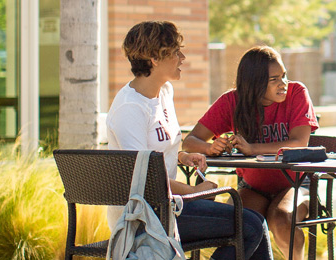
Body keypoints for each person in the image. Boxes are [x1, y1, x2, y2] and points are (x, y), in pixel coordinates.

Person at [106, 21, 272, 260]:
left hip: (168, 207)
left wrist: (183, 157)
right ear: (154, 58)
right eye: (175, 52)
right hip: (144, 217)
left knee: (253, 222)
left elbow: (158, 149)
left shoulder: (163, 93)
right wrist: (194, 192)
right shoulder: (129, 108)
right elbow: (145, 179)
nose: (182, 57)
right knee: (250, 225)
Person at [182, 46, 320, 259]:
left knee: (282, 220)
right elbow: (190, 141)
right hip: (254, 187)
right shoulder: (232, 101)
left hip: (295, 183)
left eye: (284, 76)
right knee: (240, 223)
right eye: (274, 79)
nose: (283, 84)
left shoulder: (297, 93)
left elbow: (299, 142)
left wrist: (252, 148)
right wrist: (210, 147)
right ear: (254, 83)